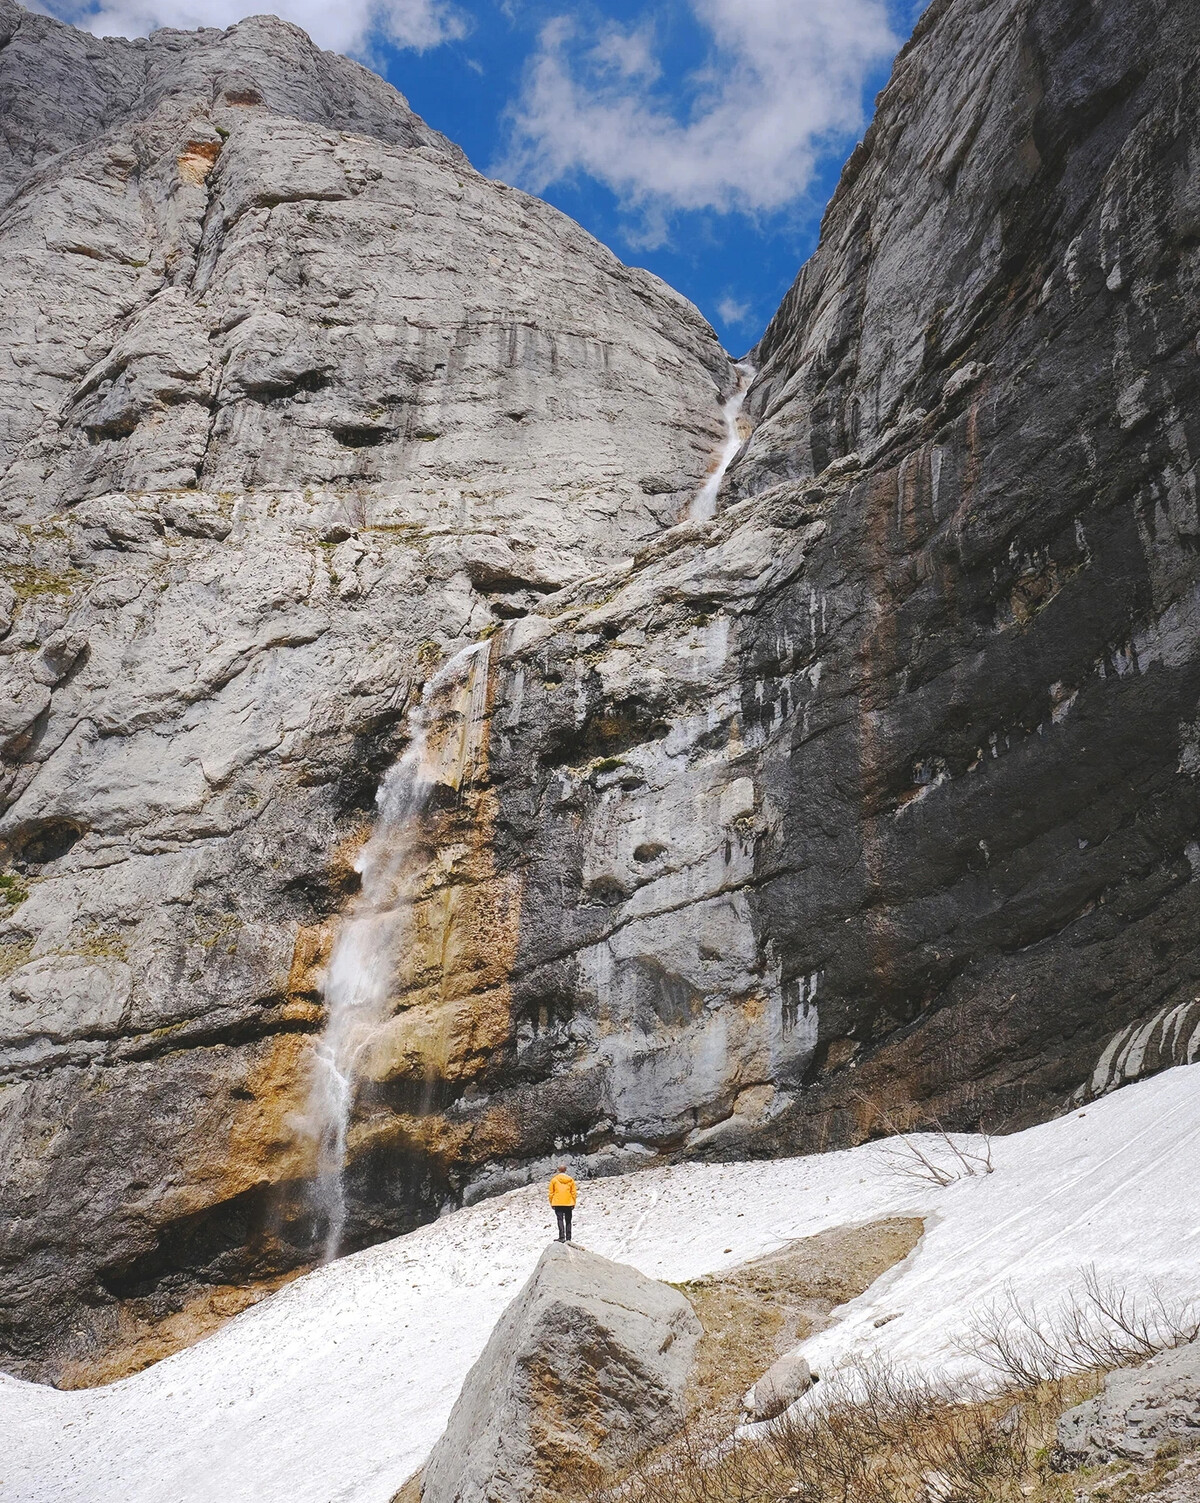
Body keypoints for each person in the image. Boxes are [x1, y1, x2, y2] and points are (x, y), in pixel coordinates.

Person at [548, 1165, 576, 1242]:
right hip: (568, 1202)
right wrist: (573, 1202)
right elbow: (573, 1192)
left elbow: (551, 1193)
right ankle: (569, 1238)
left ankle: (561, 1236)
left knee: (560, 1219)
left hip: (557, 1202)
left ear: (558, 1170)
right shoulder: (570, 1180)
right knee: (568, 1220)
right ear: (566, 1170)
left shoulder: (554, 1180)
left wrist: (551, 1202)